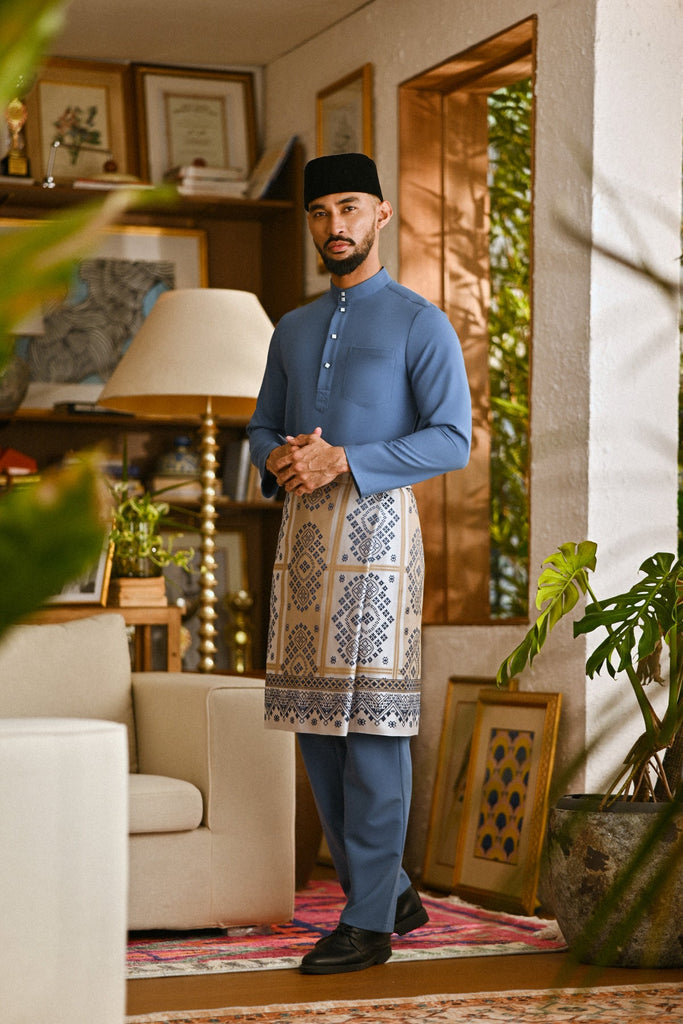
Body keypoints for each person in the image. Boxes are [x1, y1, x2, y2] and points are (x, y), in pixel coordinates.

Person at [247, 152, 471, 975]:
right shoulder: (292, 328)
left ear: (379, 214)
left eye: (348, 207)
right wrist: (278, 459)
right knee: (315, 726)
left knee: (372, 727)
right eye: (319, 212)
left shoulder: (419, 322)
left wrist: (343, 459)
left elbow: (451, 438)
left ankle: (368, 923)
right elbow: (261, 426)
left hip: (378, 543)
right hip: (304, 541)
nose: (333, 225)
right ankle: (384, 892)